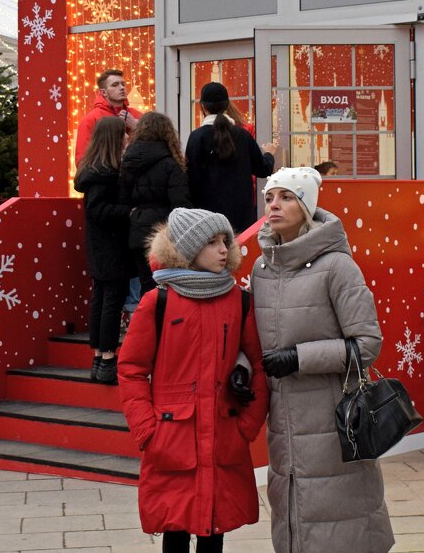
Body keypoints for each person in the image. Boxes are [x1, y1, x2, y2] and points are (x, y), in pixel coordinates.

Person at [251, 166, 391, 553]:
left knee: (347, 519)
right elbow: (256, 340)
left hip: (336, 418)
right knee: (295, 520)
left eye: (287, 197)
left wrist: (300, 358)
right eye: (271, 197)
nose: (275, 206)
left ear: (307, 207)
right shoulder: (262, 269)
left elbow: (367, 344)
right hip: (285, 420)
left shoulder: (338, 267)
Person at [118, 207, 269, 553]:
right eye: (214, 243)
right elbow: (131, 368)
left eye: (227, 242)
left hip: (221, 431)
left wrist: (247, 426)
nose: (226, 251)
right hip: (173, 434)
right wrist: (147, 429)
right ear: (187, 249)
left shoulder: (238, 300)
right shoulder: (158, 301)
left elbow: (258, 367)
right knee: (177, 525)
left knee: (214, 523)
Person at [74, 116, 132, 385]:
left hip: (100, 244)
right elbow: (97, 209)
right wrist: (128, 211)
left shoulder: (94, 170)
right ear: (114, 138)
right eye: (123, 135)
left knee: (101, 296)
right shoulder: (106, 174)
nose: (127, 138)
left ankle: (99, 357)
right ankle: (107, 358)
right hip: (111, 244)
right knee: (111, 299)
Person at [186, 82, 274, 234]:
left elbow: (192, 179)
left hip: (207, 218)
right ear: (227, 106)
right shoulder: (242, 135)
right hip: (241, 216)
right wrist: (269, 153)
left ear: (203, 107)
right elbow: (263, 169)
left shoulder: (197, 137)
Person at [120, 112, 191, 294]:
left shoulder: (129, 162)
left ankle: (146, 321)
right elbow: (181, 204)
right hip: (163, 233)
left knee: (146, 286)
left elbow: (123, 198)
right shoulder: (171, 164)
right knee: (167, 288)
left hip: (137, 231)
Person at [74, 69, 142, 159]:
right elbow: (82, 158)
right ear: (103, 92)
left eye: (123, 84)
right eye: (115, 85)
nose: (121, 88)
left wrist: (136, 126)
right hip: (106, 172)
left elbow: (156, 146)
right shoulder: (91, 119)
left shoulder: (137, 115)